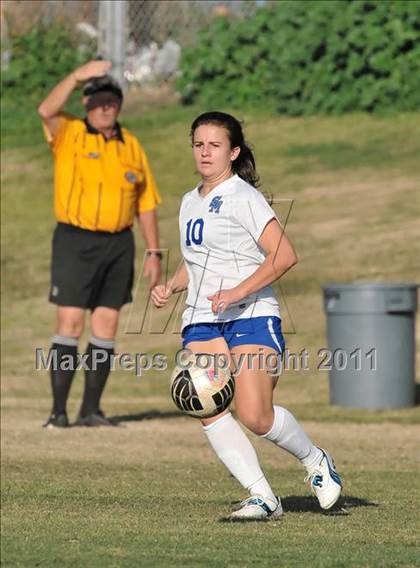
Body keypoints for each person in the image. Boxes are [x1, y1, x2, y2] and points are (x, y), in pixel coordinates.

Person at [151, 112, 342, 520]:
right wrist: (172, 285)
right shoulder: (189, 201)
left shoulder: (244, 197)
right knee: (205, 404)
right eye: (198, 144)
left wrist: (237, 292)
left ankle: (314, 460)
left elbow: (285, 255)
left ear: (233, 152)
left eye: (215, 145)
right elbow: (198, 259)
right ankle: (263, 498)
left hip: (252, 314)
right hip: (202, 318)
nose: (205, 152)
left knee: (255, 415)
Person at [38, 60, 162, 428]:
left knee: (106, 325)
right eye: (96, 101)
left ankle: (90, 410)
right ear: (86, 104)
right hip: (76, 241)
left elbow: (146, 202)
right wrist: (76, 75)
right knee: (71, 323)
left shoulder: (132, 145)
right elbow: (45, 109)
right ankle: (58, 412)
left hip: (119, 244)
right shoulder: (69, 132)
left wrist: (154, 252)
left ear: (119, 106)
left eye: (111, 101)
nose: (104, 107)